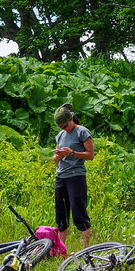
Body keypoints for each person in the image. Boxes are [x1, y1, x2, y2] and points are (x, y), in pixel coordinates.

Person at [52, 103, 95, 250]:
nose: (64, 129)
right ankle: (62, 249)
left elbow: (90, 155)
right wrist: (57, 156)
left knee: (78, 211)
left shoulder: (82, 132)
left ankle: (85, 248)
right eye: (60, 127)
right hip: (61, 176)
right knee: (61, 214)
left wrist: (72, 153)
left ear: (71, 120)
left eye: (65, 125)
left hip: (76, 176)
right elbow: (56, 155)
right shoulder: (61, 135)